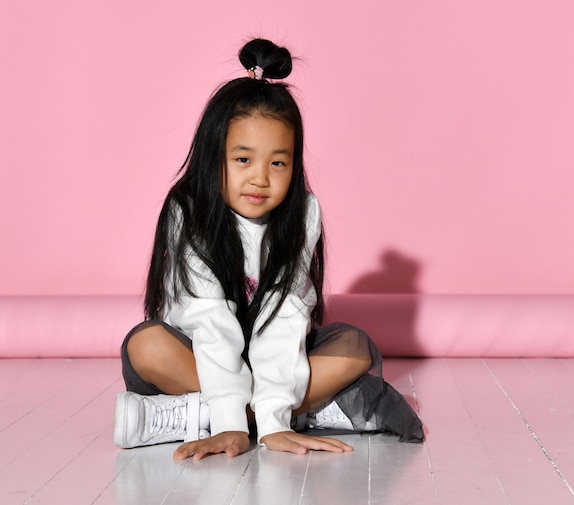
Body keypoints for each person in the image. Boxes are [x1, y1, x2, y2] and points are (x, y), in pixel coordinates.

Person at [114, 38, 423, 460]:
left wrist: (274, 420)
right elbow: (210, 324)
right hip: (197, 354)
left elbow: (285, 317)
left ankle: (201, 415)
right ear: (214, 156)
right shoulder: (188, 211)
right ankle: (253, 415)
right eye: (243, 160)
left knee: (353, 346)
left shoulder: (302, 213)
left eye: (278, 163)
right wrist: (230, 424)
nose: (260, 178)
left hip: (275, 360)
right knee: (146, 345)